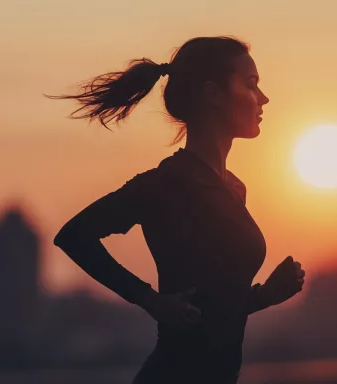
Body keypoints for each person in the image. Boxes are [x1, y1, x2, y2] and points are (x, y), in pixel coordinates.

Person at [46, 36, 305, 384]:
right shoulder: (168, 183)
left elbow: (210, 308)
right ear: (213, 94)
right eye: (251, 85)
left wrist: (264, 296)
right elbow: (74, 235)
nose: (263, 98)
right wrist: (150, 300)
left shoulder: (233, 187)